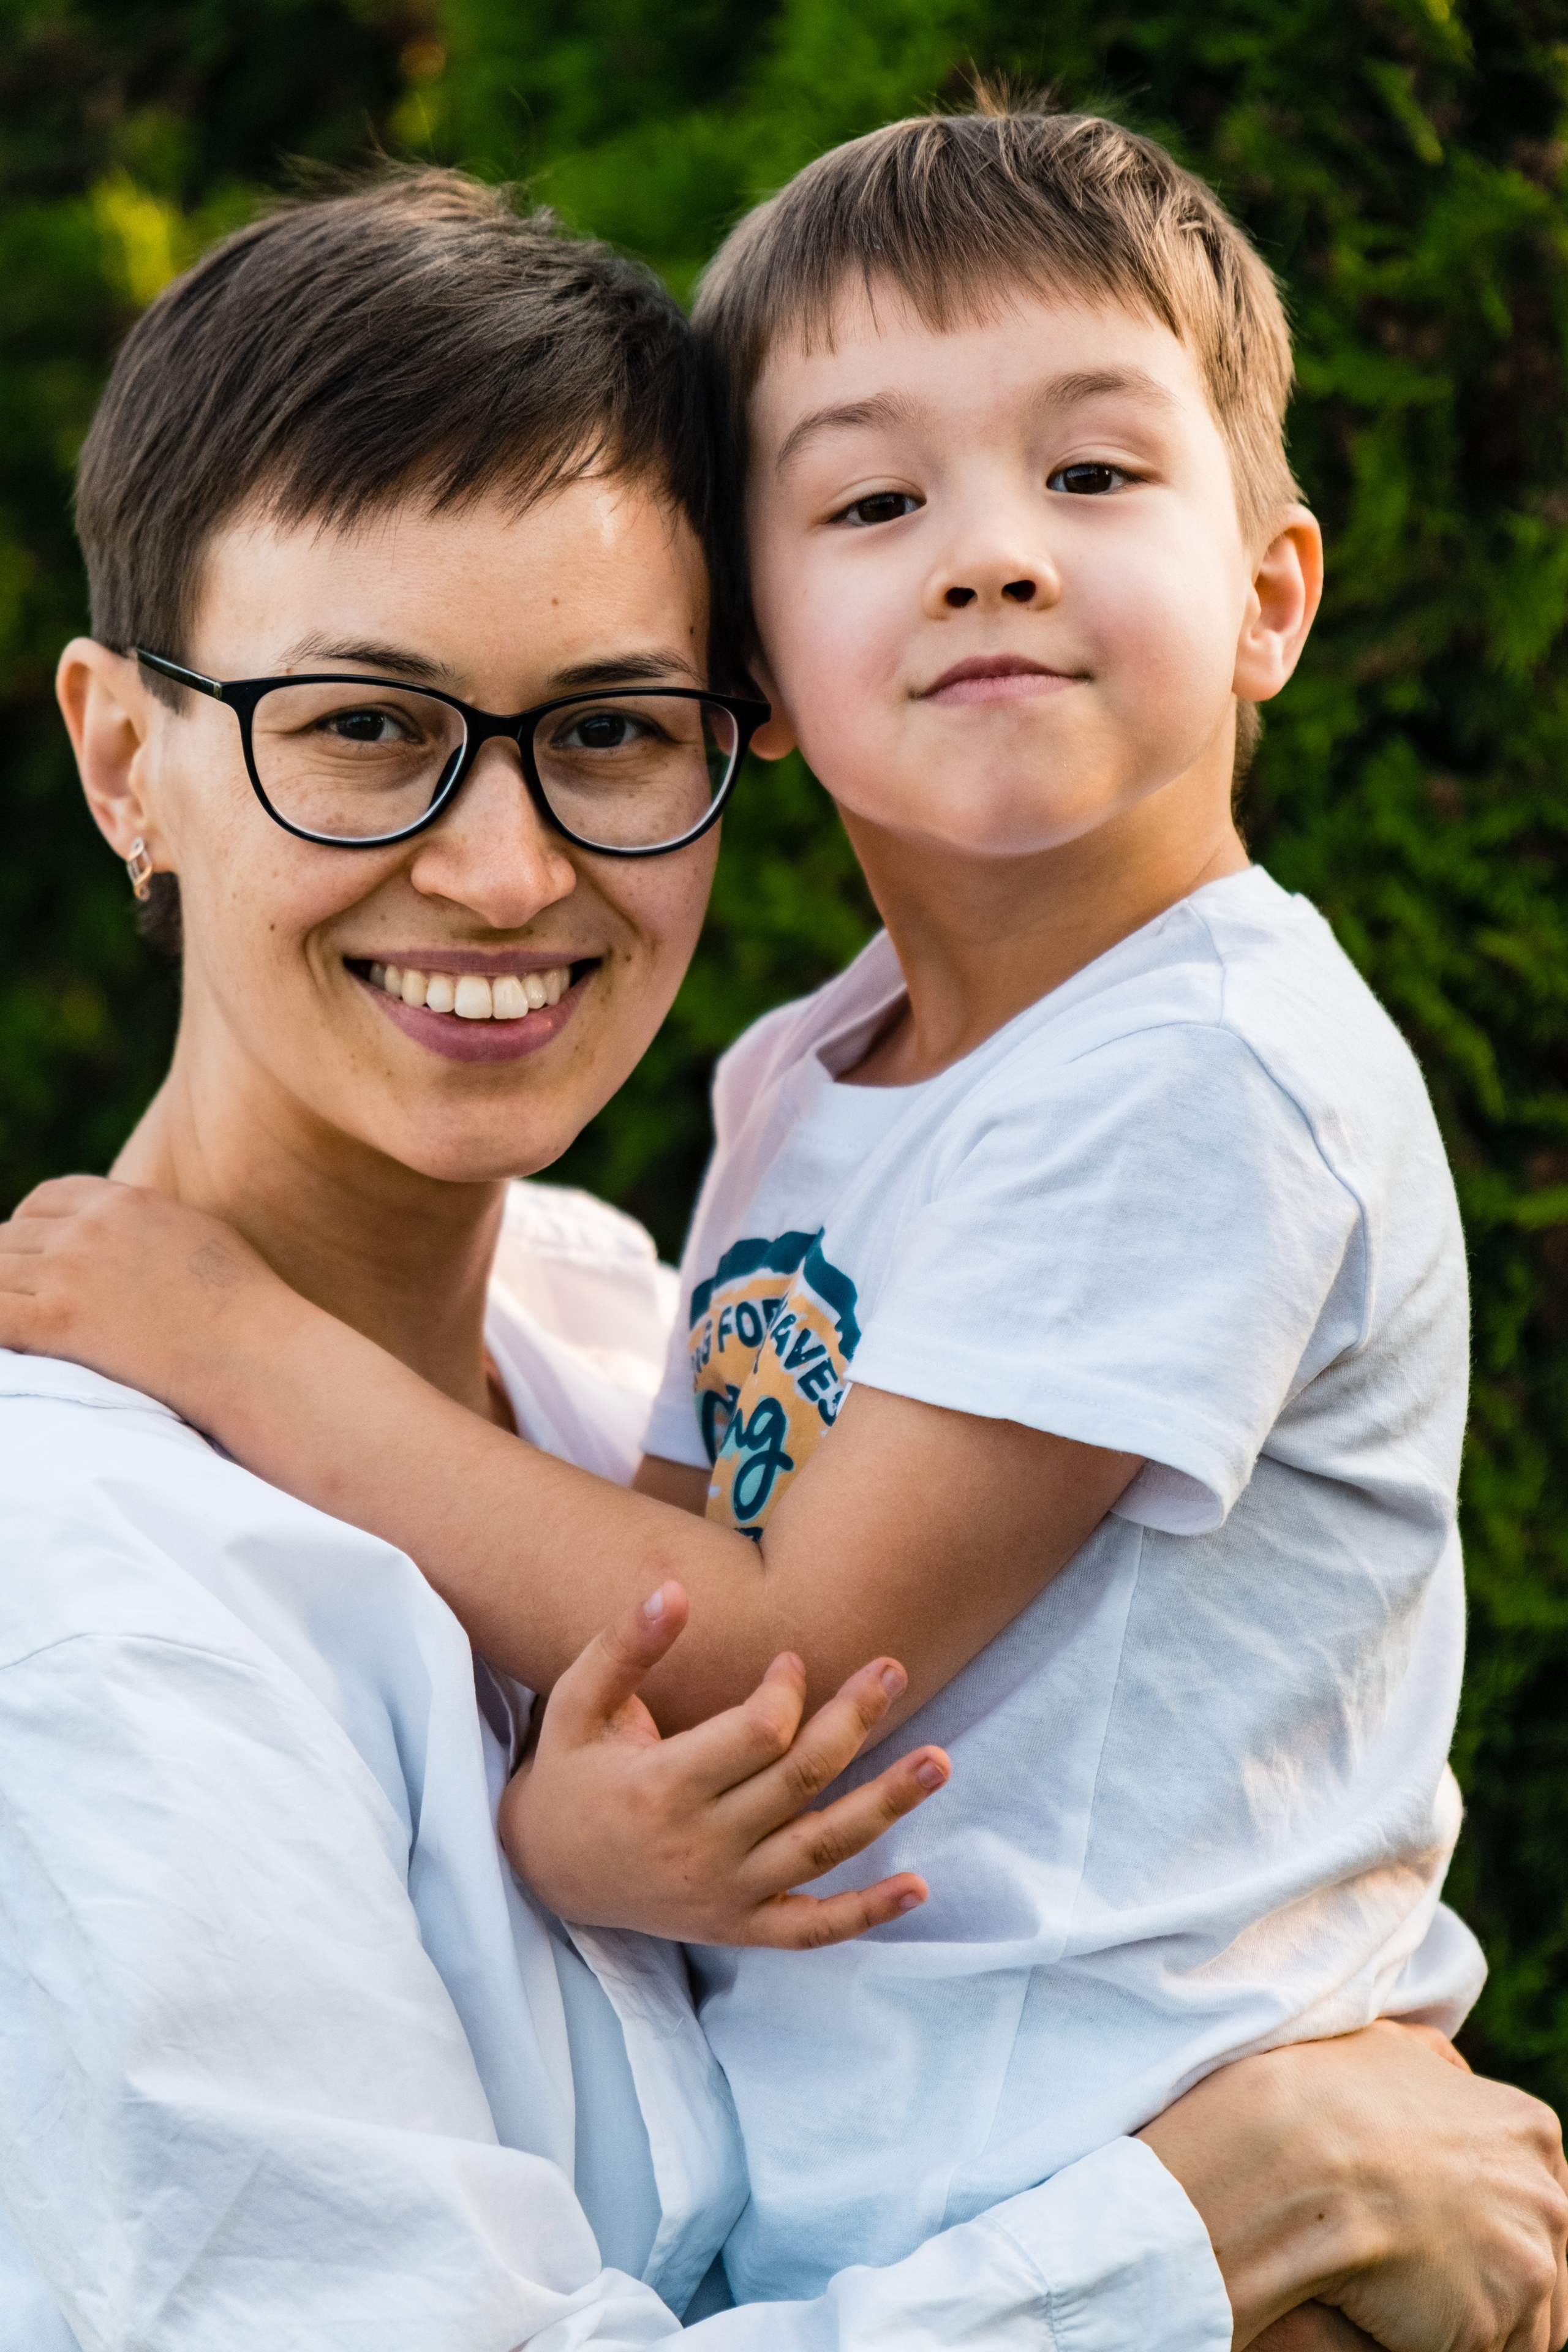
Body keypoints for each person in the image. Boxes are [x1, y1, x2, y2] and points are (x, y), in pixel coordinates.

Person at [2, 155, 1566, 2352]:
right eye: (365, 727)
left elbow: (859, 1668)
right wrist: (1211, 2241)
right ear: (120, 758)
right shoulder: (79, 1614)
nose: (501, 861)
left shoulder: (598, 1311)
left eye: (613, 730)